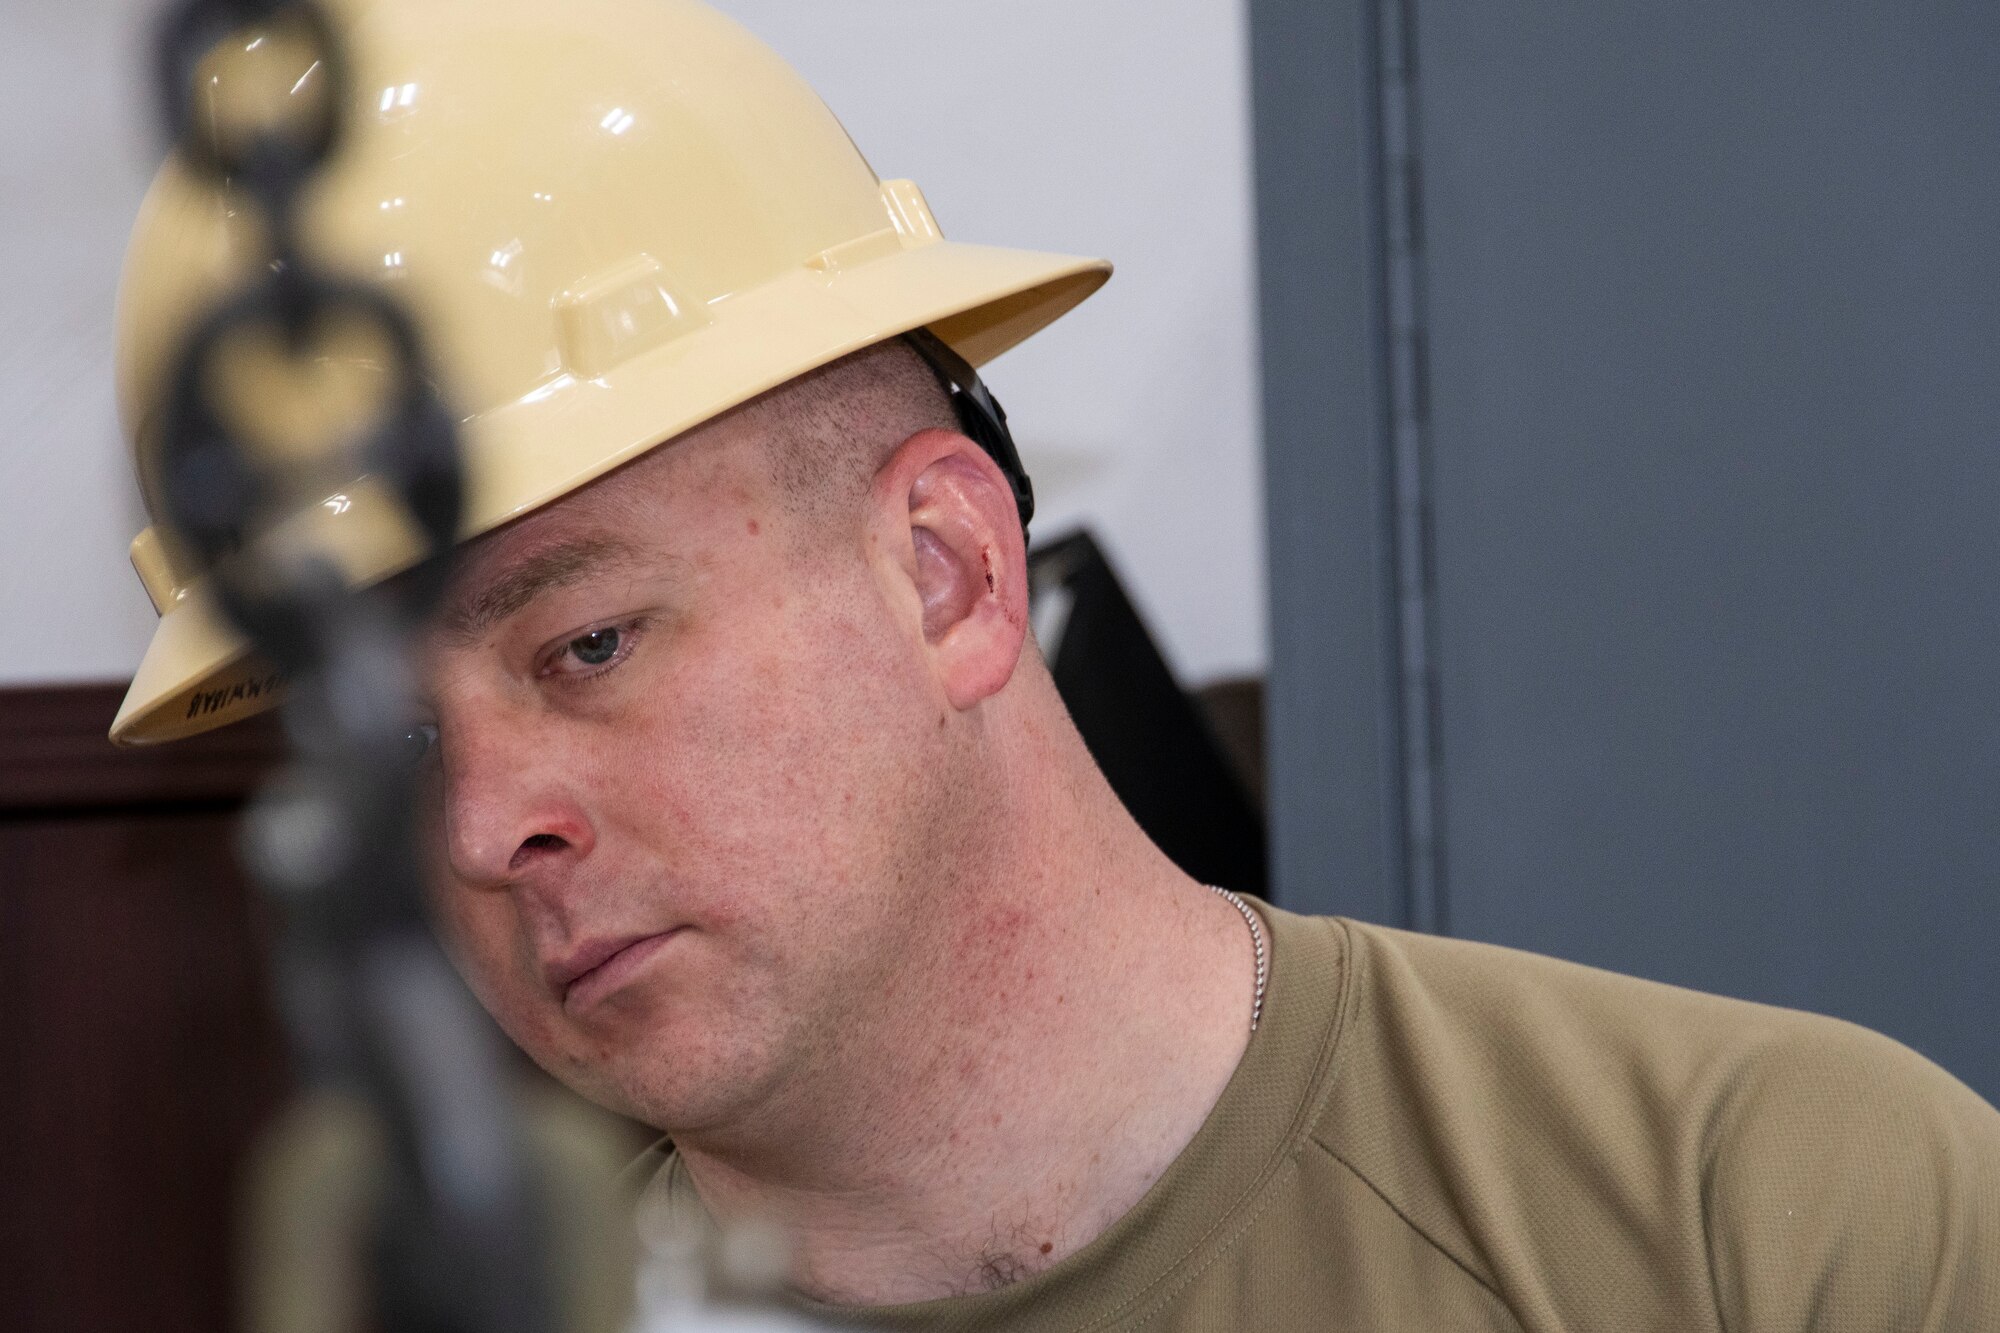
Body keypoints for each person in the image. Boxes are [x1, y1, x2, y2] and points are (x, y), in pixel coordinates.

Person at [111, 0, 2000, 1327]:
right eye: (380, 741)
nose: (479, 827)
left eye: (586, 640)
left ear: (944, 572)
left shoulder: (1768, 1226)